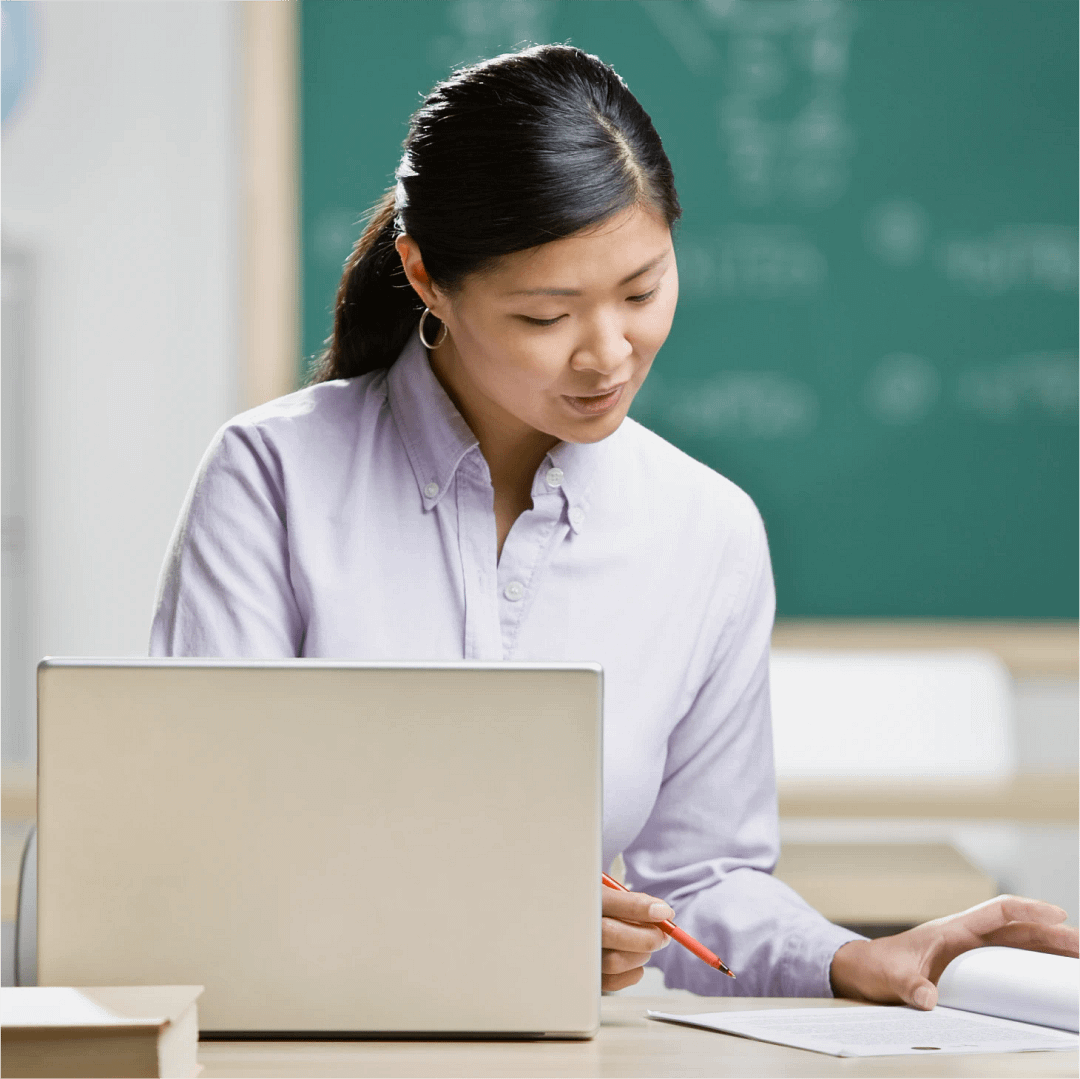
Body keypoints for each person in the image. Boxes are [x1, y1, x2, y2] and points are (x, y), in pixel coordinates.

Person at [150, 44, 1078, 1003]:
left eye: (642, 291)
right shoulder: (271, 479)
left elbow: (697, 886)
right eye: (547, 315)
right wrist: (489, 918)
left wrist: (848, 956)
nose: (609, 354)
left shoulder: (706, 528)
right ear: (426, 277)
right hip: (291, 1043)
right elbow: (203, 849)